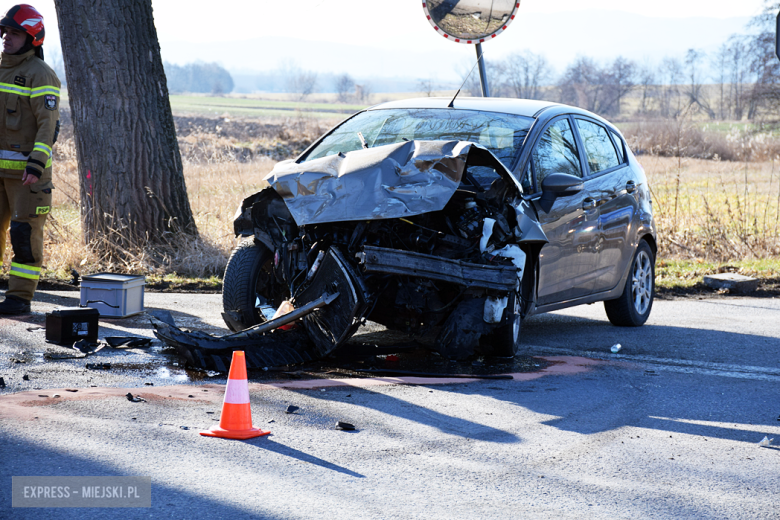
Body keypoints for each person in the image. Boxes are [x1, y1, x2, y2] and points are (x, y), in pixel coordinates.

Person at [0, 4, 60, 315]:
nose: (6, 38)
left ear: (32, 39)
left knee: (24, 235)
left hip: (27, 175)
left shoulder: (41, 74)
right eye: (5, 32)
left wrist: (36, 164)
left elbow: (47, 125)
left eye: (15, 33)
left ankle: (19, 298)